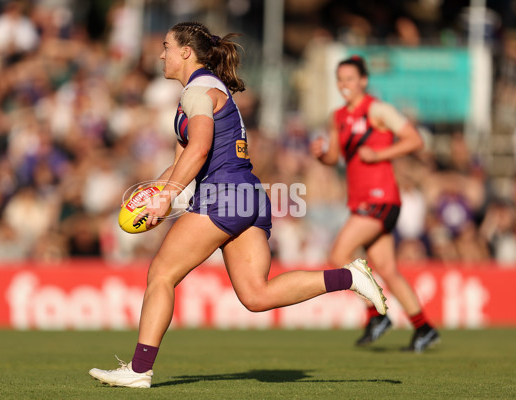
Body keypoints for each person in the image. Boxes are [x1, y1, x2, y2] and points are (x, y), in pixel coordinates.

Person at [88, 22, 387, 389]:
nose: (161, 54)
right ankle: (351, 276)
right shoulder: (202, 92)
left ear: (186, 52)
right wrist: (159, 195)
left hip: (225, 194)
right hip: (247, 195)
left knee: (161, 275)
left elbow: (198, 150)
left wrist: (166, 196)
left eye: (166, 46)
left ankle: (138, 370)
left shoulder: (197, 92)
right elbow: (182, 163)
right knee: (256, 295)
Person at [310, 55, 440, 352]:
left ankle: (375, 316)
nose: (344, 85)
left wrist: (379, 155)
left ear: (363, 81)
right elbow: (334, 158)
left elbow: (414, 140)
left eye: (350, 79)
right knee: (386, 269)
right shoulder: (338, 117)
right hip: (362, 201)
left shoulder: (378, 110)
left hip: (380, 199)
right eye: (340, 79)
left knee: (338, 254)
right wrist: (322, 154)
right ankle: (423, 327)